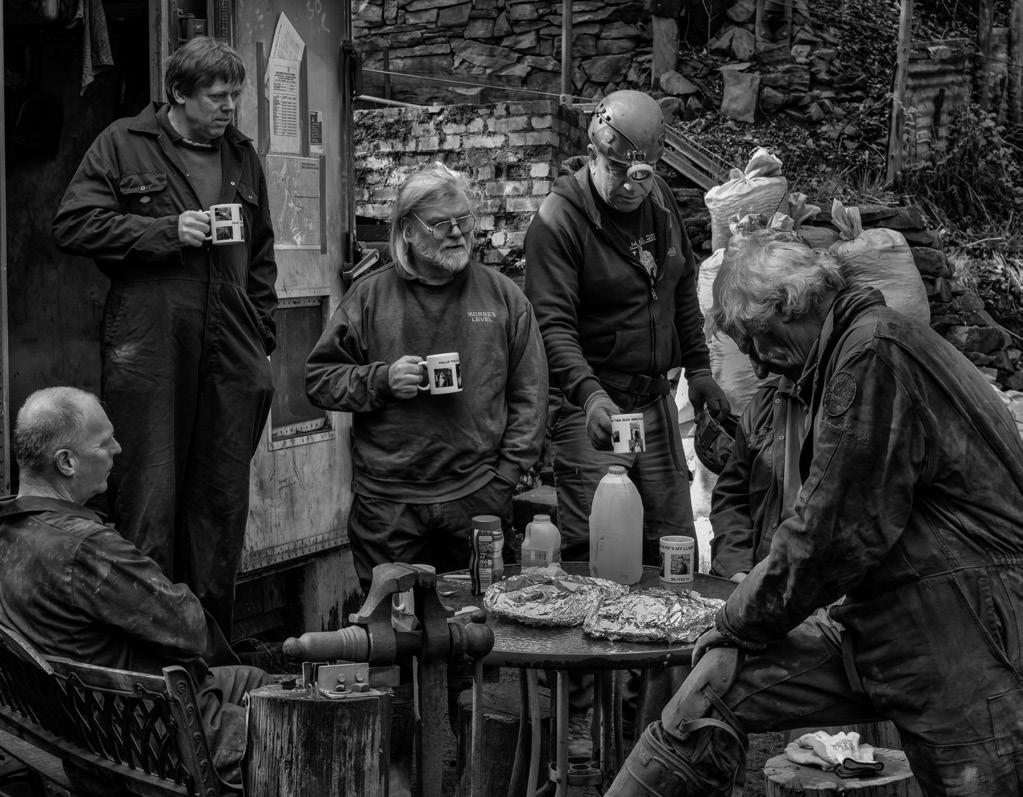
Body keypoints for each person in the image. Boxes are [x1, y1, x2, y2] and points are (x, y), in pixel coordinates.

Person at [606, 231, 1023, 796]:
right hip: (884, 617)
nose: (756, 364)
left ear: (788, 306)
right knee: (702, 699)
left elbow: (832, 533)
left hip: (966, 620)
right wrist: (733, 632)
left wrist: (735, 623)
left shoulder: (874, 353)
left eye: (753, 341)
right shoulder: (851, 353)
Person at [523, 88, 729, 752]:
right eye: (617, 170)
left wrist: (699, 370)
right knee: (596, 562)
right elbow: (552, 326)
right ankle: (581, 726)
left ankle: (662, 721)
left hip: (654, 403)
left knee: (673, 554)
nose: (629, 185)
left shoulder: (658, 202)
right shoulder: (558, 221)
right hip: (595, 404)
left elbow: (680, 288)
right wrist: (587, 396)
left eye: (642, 172)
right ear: (593, 152)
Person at [52, 37, 276, 637]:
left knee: (220, 501)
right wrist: (164, 231)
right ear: (178, 92)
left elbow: (261, 254)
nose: (229, 107)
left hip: (231, 343)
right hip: (150, 341)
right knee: (148, 493)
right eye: (217, 96)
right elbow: (73, 224)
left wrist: (261, 330)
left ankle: (208, 649)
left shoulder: (242, 157)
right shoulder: (123, 142)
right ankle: (150, 650)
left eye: (234, 95)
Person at [0, 387, 272, 785]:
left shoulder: (5, 532)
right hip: (150, 737)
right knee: (304, 729)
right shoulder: (85, 546)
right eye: (104, 443)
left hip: (83, 720)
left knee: (255, 681)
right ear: (66, 462)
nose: (117, 449)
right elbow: (189, 627)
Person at [305, 161, 548, 594]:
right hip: (388, 505)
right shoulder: (369, 297)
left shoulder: (502, 297)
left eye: (464, 221)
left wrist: (506, 478)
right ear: (408, 230)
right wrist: (382, 381)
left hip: (477, 496)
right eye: (440, 224)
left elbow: (531, 394)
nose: (457, 233)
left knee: (476, 621)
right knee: (392, 626)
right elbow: (320, 379)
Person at [708, 375, 804, 582]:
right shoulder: (764, 403)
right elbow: (732, 498)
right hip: (759, 574)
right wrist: (737, 570)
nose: (759, 368)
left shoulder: (853, 404)